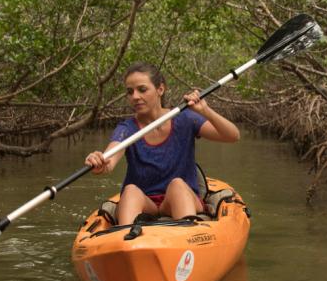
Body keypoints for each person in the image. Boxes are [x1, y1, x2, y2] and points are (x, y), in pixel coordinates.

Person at [85, 62, 240, 225]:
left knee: (177, 185)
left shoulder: (185, 118)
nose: (135, 97)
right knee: (130, 190)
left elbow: (232, 136)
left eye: (142, 89)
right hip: (146, 203)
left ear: (160, 89)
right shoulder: (127, 128)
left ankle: (186, 236)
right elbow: (109, 160)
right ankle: (127, 240)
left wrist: (205, 111)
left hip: (180, 199)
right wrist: (99, 162)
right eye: (130, 92)